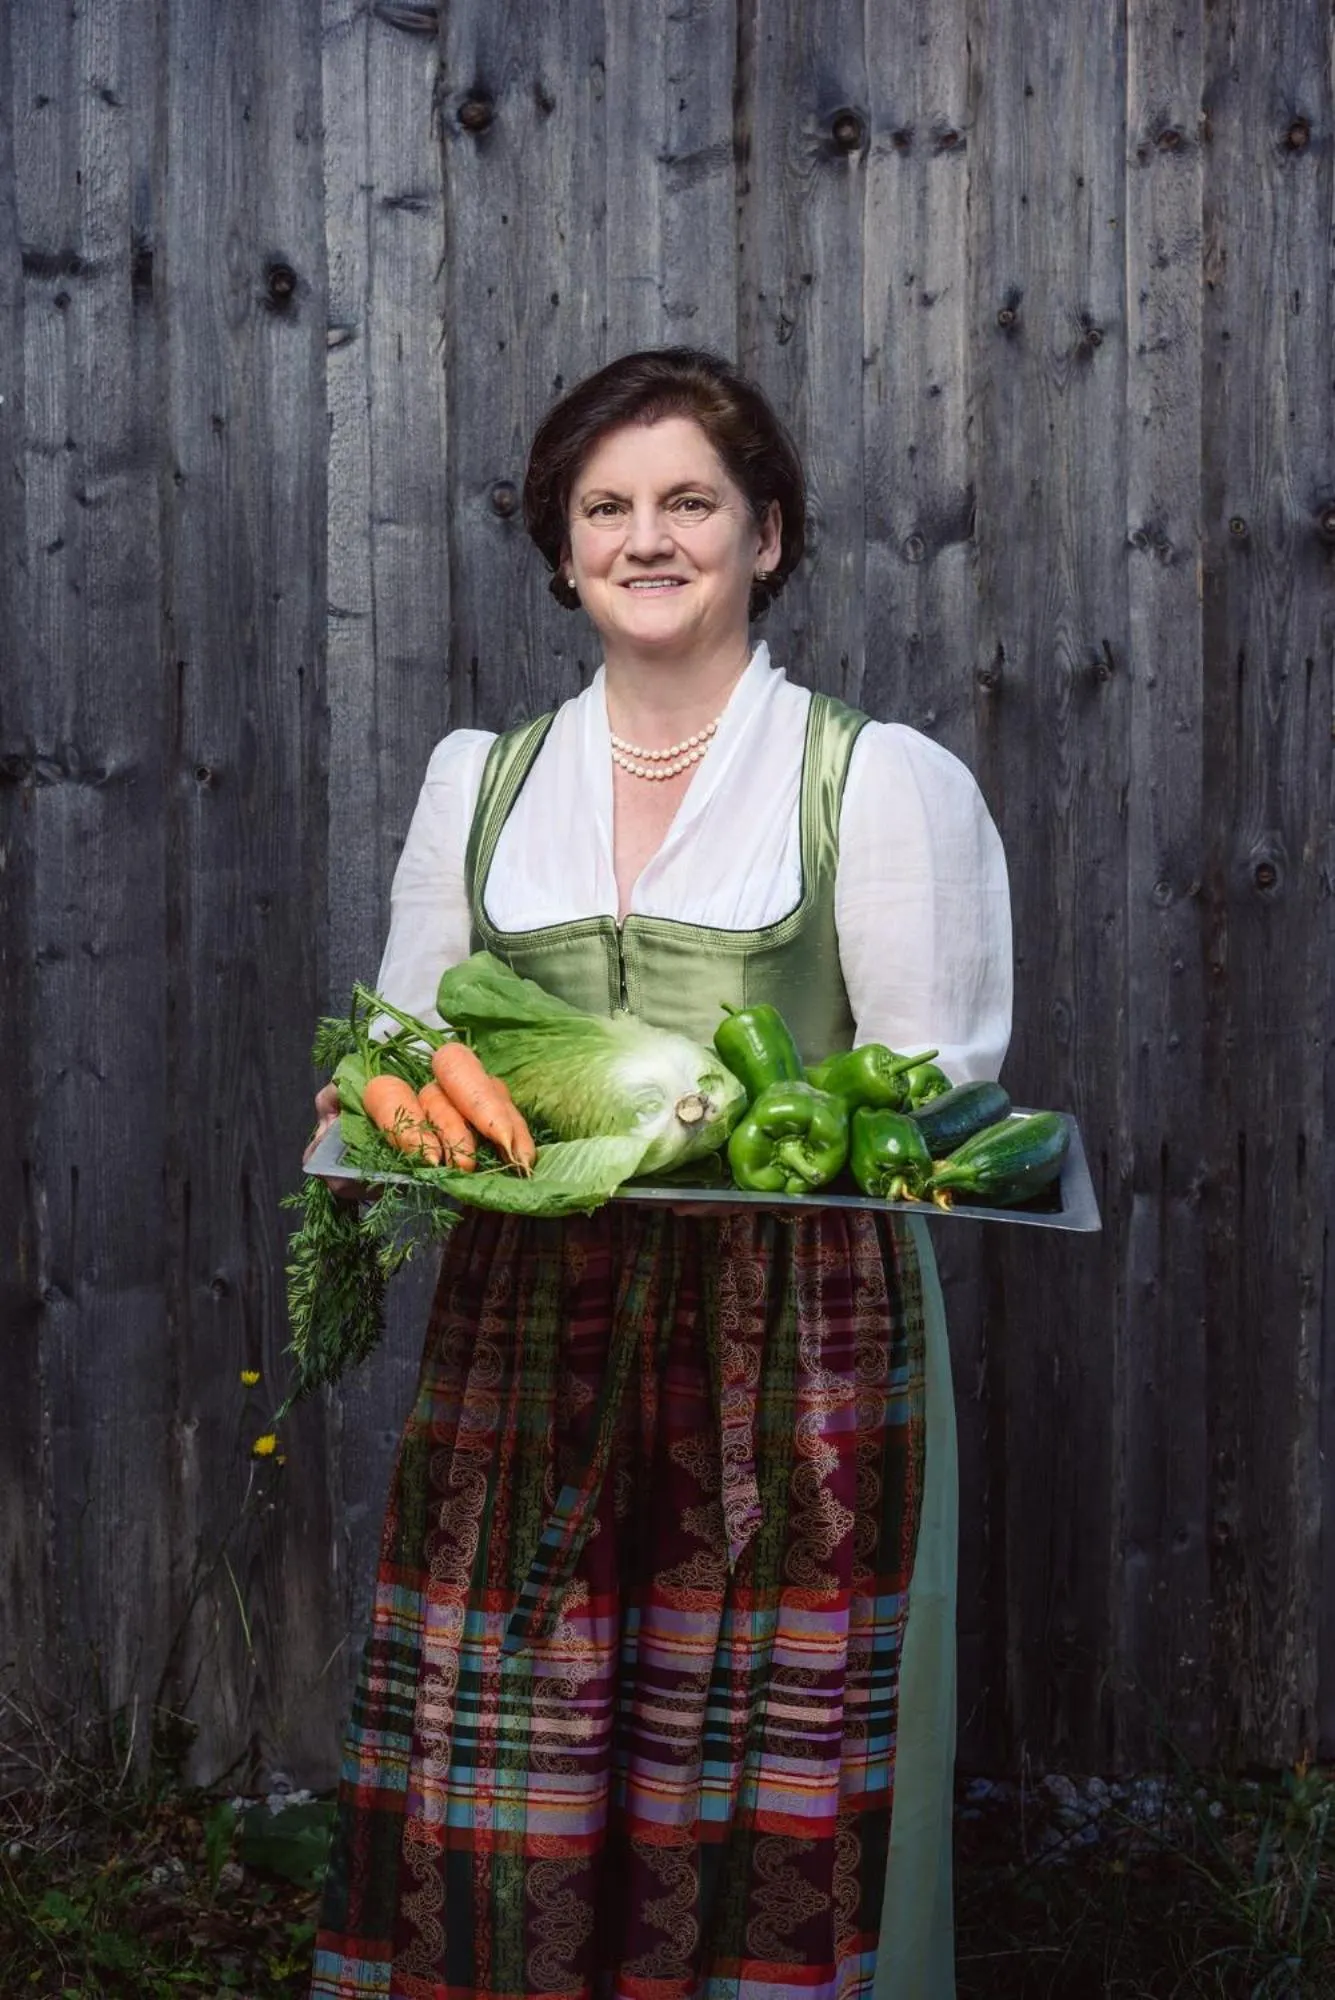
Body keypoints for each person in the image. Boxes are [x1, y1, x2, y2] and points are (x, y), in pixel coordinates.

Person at [306, 348, 1011, 2000]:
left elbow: (935, 1087)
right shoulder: (482, 779)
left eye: (689, 501)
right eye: (604, 507)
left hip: (791, 1339)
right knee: (510, 1733)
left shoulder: (871, 778)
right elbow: (408, 1040)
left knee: (757, 1753)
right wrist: (368, 1113)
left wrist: (698, 1119)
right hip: (524, 1325)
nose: (645, 538)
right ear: (561, 550)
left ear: (765, 535)